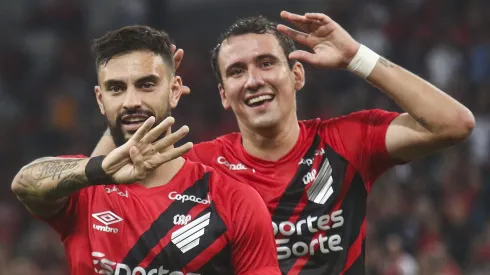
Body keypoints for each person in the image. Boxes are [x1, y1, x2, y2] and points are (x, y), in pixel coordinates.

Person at [91, 11, 475, 274]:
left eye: (266, 63)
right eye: (237, 72)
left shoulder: (346, 142)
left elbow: (453, 124)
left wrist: (357, 57)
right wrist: (143, 101)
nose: (254, 80)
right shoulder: (199, 166)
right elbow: (95, 192)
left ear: (297, 75)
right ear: (224, 95)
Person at [11, 26, 281, 275]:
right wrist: (101, 169)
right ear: (100, 100)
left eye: (147, 84)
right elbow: (24, 183)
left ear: (175, 91)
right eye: (116, 88)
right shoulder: (85, 187)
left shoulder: (234, 201)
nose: (131, 101)